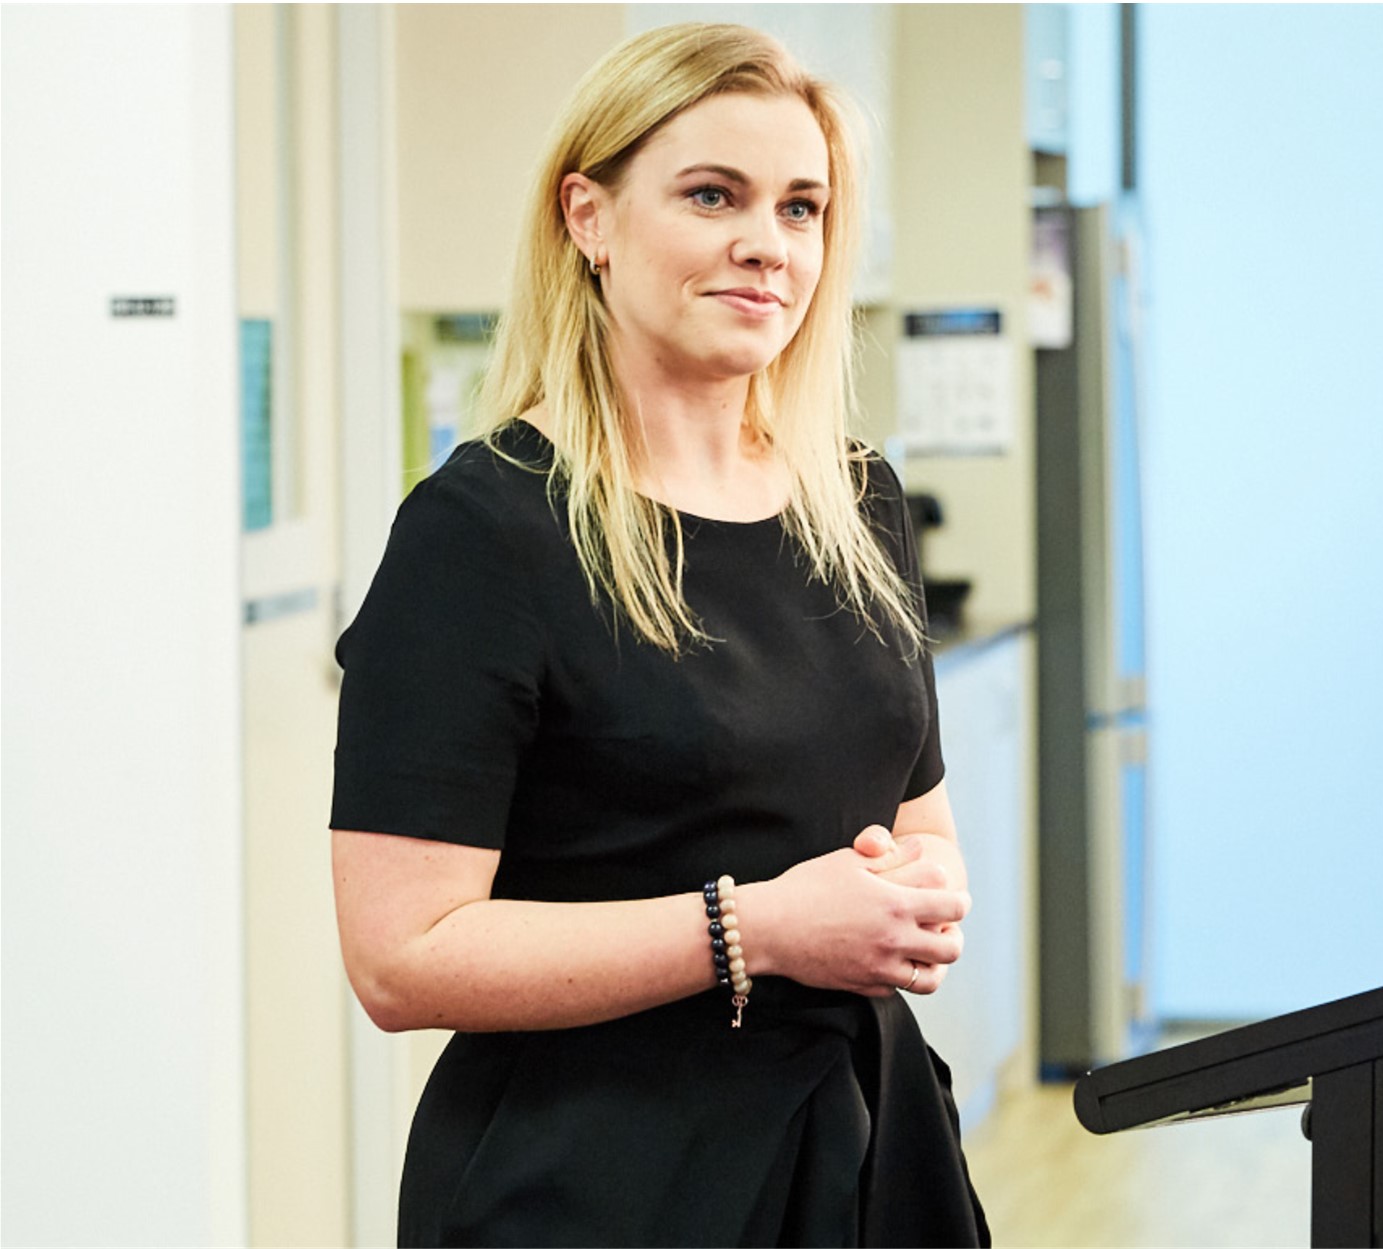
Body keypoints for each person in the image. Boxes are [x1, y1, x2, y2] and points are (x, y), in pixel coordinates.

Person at [329, 23, 989, 1247]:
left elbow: (915, 817)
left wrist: (923, 886)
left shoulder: (857, 501)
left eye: (802, 207)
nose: (766, 243)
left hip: (862, 1150)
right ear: (590, 216)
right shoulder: (484, 531)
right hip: (595, 1181)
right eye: (711, 195)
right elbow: (401, 956)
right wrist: (763, 927)